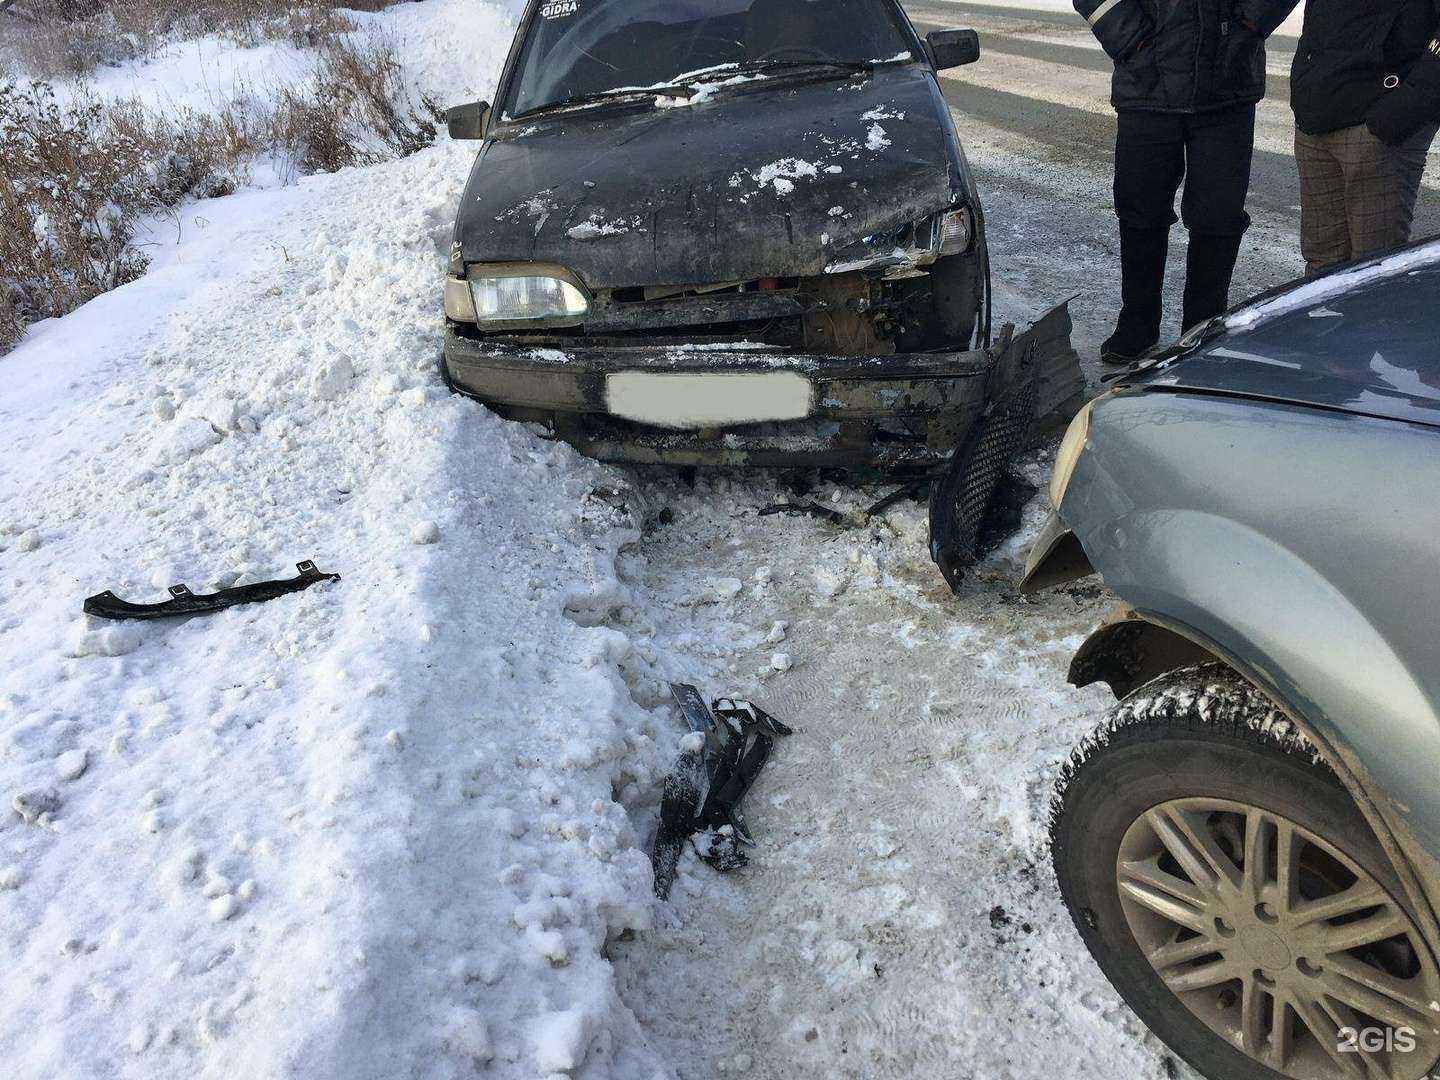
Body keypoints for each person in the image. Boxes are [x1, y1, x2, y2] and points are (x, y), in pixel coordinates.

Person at [1075, 0, 1289, 364]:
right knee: (1140, 207)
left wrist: (1250, 25)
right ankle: (1138, 323)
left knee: (1218, 215)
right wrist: (1133, 41)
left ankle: (1203, 327)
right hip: (1146, 85)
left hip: (1227, 84)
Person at [1286, 0, 1440, 275]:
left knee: (1373, 272)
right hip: (1316, 116)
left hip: (1381, 129)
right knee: (1320, 273)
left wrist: (1402, 111)